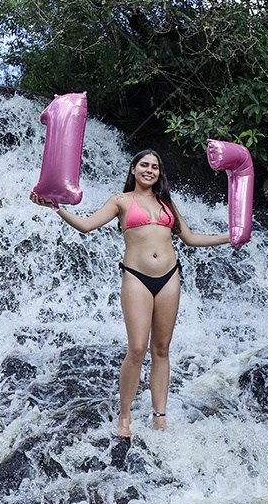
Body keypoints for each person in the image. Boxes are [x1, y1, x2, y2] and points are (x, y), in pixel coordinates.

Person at [30, 149, 230, 437]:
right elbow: (87, 226)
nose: (150, 170)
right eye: (144, 165)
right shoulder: (120, 201)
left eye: (156, 167)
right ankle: (124, 417)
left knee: (161, 350)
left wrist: (230, 237)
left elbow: (190, 238)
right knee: (137, 348)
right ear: (133, 169)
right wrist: (56, 207)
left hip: (170, 277)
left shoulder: (167, 203)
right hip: (136, 278)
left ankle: (159, 417)